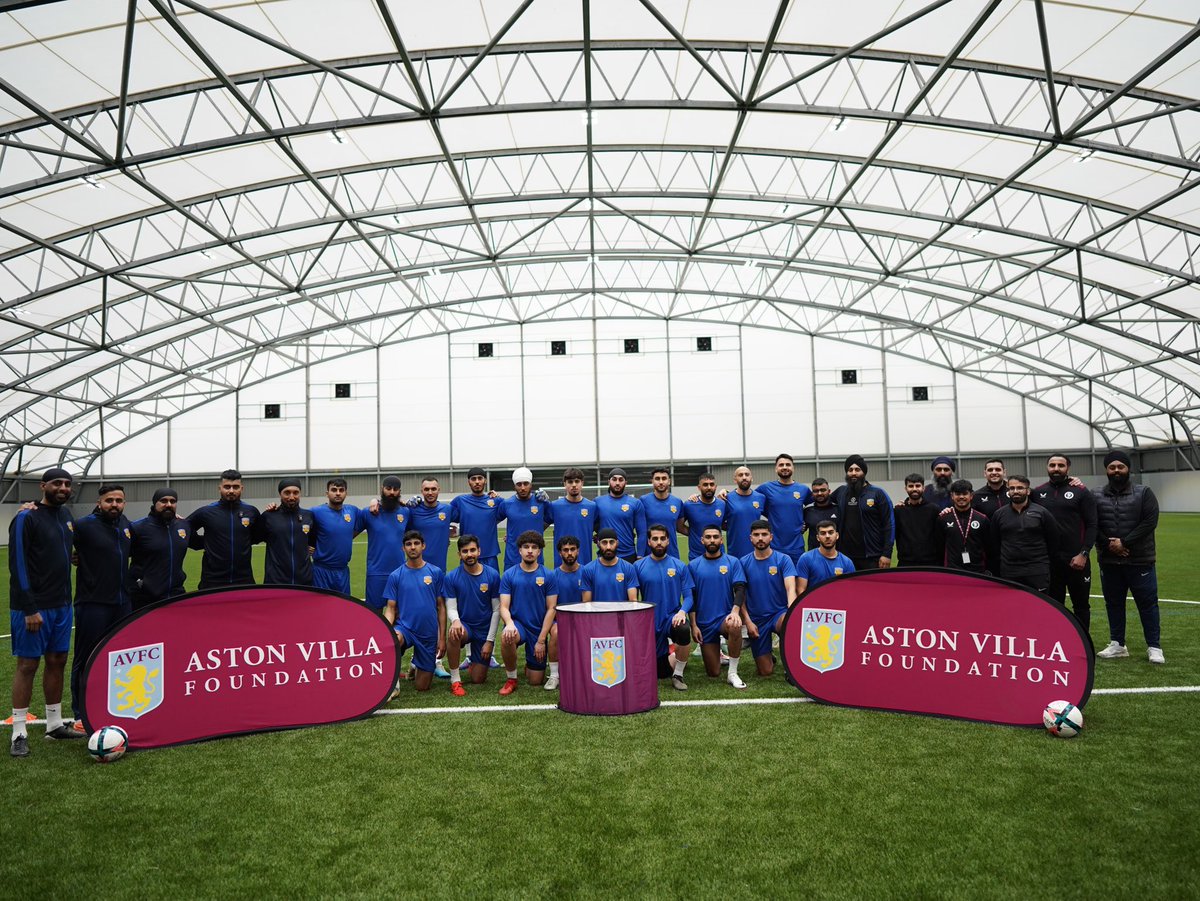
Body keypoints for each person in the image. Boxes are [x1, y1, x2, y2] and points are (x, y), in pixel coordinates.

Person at [8, 468, 81, 756]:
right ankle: (19, 732)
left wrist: (73, 557)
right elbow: (18, 563)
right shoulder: (27, 516)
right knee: (27, 665)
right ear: (43, 486)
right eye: (57, 483)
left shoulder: (66, 517)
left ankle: (53, 724)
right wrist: (29, 608)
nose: (63, 488)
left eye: (67, 484)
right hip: (34, 608)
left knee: (58, 660)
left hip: (63, 604)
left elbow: (61, 550)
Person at [69, 483, 134, 733]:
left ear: (124, 503)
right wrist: (71, 556)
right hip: (92, 603)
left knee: (120, 657)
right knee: (85, 659)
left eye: (119, 500)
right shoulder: (83, 525)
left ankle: (115, 705)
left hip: (123, 603)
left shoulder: (126, 525)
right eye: (109, 500)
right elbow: (58, 546)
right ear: (99, 502)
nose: (114, 505)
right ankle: (79, 712)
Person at [1094, 451, 1164, 664]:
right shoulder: (1095, 494)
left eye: (1120, 467)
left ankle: (1154, 647)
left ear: (1128, 469)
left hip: (1140, 559)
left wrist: (1124, 542)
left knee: (1148, 603)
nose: (1116, 470)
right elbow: (1090, 524)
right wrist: (1109, 544)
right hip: (1109, 560)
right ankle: (1117, 644)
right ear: (1106, 469)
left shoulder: (1144, 492)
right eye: (1112, 467)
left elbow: (1150, 521)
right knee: (1113, 603)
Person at [1034, 454, 1098, 630]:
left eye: (1060, 465)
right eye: (1052, 465)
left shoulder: (1082, 491)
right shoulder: (1038, 492)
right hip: (1050, 561)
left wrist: (1084, 553)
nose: (1056, 468)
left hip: (1077, 559)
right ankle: (1058, 640)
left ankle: (1084, 643)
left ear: (1067, 468)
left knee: (1081, 605)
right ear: (1047, 468)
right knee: (1054, 605)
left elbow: (1092, 524)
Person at [382, 531, 446, 693]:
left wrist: (442, 638)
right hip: (405, 628)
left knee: (422, 687)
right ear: (403, 548)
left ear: (423, 546)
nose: (413, 547)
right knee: (393, 640)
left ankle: (415, 664)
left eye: (416, 543)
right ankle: (393, 687)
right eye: (409, 544)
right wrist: (386, 631)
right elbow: (390, 608)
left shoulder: (435, 572)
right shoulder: (396, 575)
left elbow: (441, 606)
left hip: (427, 633)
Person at [497, 531, 559, 693]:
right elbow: (503, 606)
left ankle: (530, 665)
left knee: (535, 681)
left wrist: (541, 640)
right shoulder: (510, 575)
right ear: (519, 550)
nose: (530, 551)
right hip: (519, 625)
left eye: (534, 547)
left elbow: (552, 608)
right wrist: (509, 624)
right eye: (526, 547)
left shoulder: (549, 575)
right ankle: (511, 678)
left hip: (539, 626)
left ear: (539, 551)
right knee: (507, 636)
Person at [634, 523, 694, 690]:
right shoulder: (638, 567)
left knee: (683, 629)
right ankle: (674, 656)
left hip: (671, 618)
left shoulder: (679, 565)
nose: (659, 542)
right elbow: (632, 598)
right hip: (650, 622)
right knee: (660, 672)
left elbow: (689, 596)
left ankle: (679, 675)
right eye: (655, 539)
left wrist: (682, 612)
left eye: (662, 539)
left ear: (668, 541)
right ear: (649, 542)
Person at [687, 526, 748, 689]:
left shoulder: (732, 562)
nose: (712, 540)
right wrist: (693, 625)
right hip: (704, 623)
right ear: (702, 540)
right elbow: (690, 597)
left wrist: (735, 612)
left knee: (735, 625)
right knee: (713, 673)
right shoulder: (693, 565)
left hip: (724, 618)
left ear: (721, 540)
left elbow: (740, 588)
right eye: (708, 537)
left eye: (715, 537)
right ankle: (719, 657)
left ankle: (732, 672)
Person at [442, 534, 501, 695]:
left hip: (483, 630)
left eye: (473, 550)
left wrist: (490, 641)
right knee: (453, 633)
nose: (469, 554)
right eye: (465, 551)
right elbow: (451, 607)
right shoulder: (452, 577)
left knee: (478, 679)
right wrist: (455, 621)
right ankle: (455, 680)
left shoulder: (492, 575)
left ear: (479, 551)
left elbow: (497, 610)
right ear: (459, 554)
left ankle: (474, 663)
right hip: (465, 626)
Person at [740, 520, 797, 677]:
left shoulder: (783, 559)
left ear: (771, 537)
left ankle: (791, 666)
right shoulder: (743, 563)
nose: (760, 538)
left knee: (788, 622)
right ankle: (768, 654)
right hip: (757, 620)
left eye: (764, 534)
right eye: (756, 535)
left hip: (779, 614)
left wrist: (792, 611)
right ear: (750, 538)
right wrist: (748, 622)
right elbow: (740, 596)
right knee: (766, 671)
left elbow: (791, 587)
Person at [188, 469, 259, 588]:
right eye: (227, 487)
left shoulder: (251, 511)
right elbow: (183, 530)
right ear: (219, 488)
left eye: (235, 487)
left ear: (241, 488)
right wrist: (203, 543)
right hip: (212, 581)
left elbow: (259, 535)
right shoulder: (206, 512)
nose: (231, 490)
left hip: (244, 579)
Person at [991, 476, 1060, 592]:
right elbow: (994, 543)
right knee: (1012, 607)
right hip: (1010, 571)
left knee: (1038, 607)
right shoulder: (999, 514)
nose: (1016, 491)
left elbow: (1054, 541)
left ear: (1028, 491)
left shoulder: (1042, 512)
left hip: (1037, 571)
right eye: (1012, 488)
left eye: (1020, 488)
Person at [128, 488, 190, 610]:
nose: (168, 505)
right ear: (154, 503)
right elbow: (117, 551)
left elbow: (202, 542)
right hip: (144, 597)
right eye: (163, 501)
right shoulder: (138, 528)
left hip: (176, 595)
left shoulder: (184, 525)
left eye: (173, 501)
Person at [831, 455, 894, 571]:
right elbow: (822, 502)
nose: (853, 473)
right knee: (847, 588)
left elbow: (889, 524)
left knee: (872, 589)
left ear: (864, 472)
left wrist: (887, 554)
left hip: (872, 557)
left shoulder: (878, 493)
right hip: (846, 557)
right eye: (850, 470)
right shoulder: (841, 492)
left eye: (857, 469)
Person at [357, 476, 411, 611]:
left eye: (395, 489)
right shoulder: (368, 512)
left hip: (400, 572)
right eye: (388, 488)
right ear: (382, 489)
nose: (392, 492)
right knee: (374, 613)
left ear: (400, 491)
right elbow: (348, 535)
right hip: (376, 572)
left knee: (398, 612)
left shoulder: (406, 512)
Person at [254, 478, 316, 586]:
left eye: (295, 493)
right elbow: (254, 538)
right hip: (276, 581)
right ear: (280, 494)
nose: (291, 497)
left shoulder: (308, 516)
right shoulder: (268, 516)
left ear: (300, 493)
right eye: (287, 493)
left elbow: (312, 541)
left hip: (304, 580)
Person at [756, 454, 812, 565]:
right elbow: (747, 496)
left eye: (788, 465)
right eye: (781, 465)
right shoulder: (766, 488)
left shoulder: (803, 489)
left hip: (796, 547)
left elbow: (815, 507)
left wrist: (806, 522)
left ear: (793, 468)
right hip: (774, 546)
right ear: (776, 468)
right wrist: (726, 492)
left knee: (797, 580)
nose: (785, 467)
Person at [310, 477, 361, 594]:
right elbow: (298, 522)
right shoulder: (315, 512)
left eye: (341, 490)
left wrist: (375, 501)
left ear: (346, 493)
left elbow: (369, 516)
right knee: (320, 607)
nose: (338, 493)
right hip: (321, 571)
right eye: (334, 490)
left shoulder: (353, 511)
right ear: (327, 494)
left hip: (342, 571)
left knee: (342, 607)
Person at [939, 480, 999, 575]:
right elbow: (939, 546)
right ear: (952, 496)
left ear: (971, 496)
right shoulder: (943, 518)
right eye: (958, 494)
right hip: (952, 570)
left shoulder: (982, 519)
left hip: (978, 570)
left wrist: (989, 569)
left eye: (965, 494)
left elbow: (989, 548)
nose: (961, 497)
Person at [449, 468, 504, 571]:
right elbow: (441, 515)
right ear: (469, 482)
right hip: (467, 555)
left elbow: (514, 513)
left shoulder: (496, 500)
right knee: (466, 586)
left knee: (492, 586)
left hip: (489, 556)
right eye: (473, 479)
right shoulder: (460, 501)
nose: (477, 482)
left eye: (480, 478)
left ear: (485, 481)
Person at [546, 468, 598, 567]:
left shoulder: (592, 506)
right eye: (570, 482)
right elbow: (538, 527)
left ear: (582, 483)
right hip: (561, 565)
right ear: (564, 484)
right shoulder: (554, 506)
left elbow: (601, 529)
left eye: (577, 481)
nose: (574, 485)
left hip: (585, 563)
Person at [499, 467, 548, 570]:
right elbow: (492, 520)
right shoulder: (506, 504)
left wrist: (539, 529)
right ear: (514, 486)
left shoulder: (541, 501)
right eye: (519, 484)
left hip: (536, 558)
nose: (522, 488)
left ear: (531, 484)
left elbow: (551, 518)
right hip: (512, 558)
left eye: (526, 484)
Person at [594, 467, 645, 562]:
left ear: (625, 483)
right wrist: (598, 535)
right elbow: (592, 525)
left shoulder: (635, 503)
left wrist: (640, 555)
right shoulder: (598, 502)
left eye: (621, 480)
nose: (617, 483)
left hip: (628, 554)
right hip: (604, 554)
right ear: (609, 482)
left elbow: (642, 532)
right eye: (614, 479)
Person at [894, 474, 943, 567]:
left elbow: (939, 537)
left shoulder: (934, 509)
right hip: (905, 562)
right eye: (911, 486)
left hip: (930, 562)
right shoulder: (898, 510)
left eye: (918, 486)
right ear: (906, 488)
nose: (914, 489)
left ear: (923, 488)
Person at [795, 521, 856, 593]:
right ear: (818, 537)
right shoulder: (806, 559)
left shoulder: (847, 563)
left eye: (831, 532)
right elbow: (800, 590)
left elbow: (850, 591)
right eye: (823, 533)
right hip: (813, 603)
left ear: (837, 535)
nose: (827, 536)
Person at [580, 529, 640, 602]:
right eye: (604, 543)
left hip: (620, 613)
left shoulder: (629, 568)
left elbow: (633, 602)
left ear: (617, 543)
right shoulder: (588, 570)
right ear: (598, 544)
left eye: (612, 542)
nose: (608, 547)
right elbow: (586, 604)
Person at [407, 477, 454, 571]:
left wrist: (491, 497)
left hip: (439, 568)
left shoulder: (447, 509)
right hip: (416, 569)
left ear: (439, 490)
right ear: (421, 491)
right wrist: (375, 501)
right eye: (426, 489)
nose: (430, 493)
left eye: (433, 489)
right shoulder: (412, 510)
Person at [679, 472, 727, 561]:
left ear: (715, 487)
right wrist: (694, 533)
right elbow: (679, 526)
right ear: (699, 487)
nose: (709, 487)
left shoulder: (722, 504)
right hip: (696, 556)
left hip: (719, 554)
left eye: (711, 484)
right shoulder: (689, 505)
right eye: (705, 485)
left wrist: (725, 490)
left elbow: (724, 524)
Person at [638, 468, 685, 558]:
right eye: (657, 479)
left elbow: (680, 527)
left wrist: (699, 533)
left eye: (664, 478)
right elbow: (639, 528)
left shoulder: (677, 502)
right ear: (652, 481)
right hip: (649, 555)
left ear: (669, 481)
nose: (661, 482)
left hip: (672, 554)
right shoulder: (643, 501)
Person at [723, 466, 767, 559]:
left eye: (747, 474)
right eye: (740, 475)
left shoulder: (761, 498)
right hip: (735, 553)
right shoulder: (727, 498)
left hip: (757, 553)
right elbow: (720, 523)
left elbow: (775, 516)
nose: (744, 477)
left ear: (751, 478)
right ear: (735, 480)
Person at [802, 478, 837, 551]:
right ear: (812, 493)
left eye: (823, 490)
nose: (819, 493)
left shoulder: (838, 508)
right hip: (813, 554)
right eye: (816, 491)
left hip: (835, 554)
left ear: (829, 491)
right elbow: (801, 529)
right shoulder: (807, 510)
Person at [554, 535, 585, 608]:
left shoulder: (586, 573)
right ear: (560, 553)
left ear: (578, 551)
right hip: (560, 618)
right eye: (565, 550)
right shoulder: (553, 576)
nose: (570, 553)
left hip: (581, 618)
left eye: (573, 549)